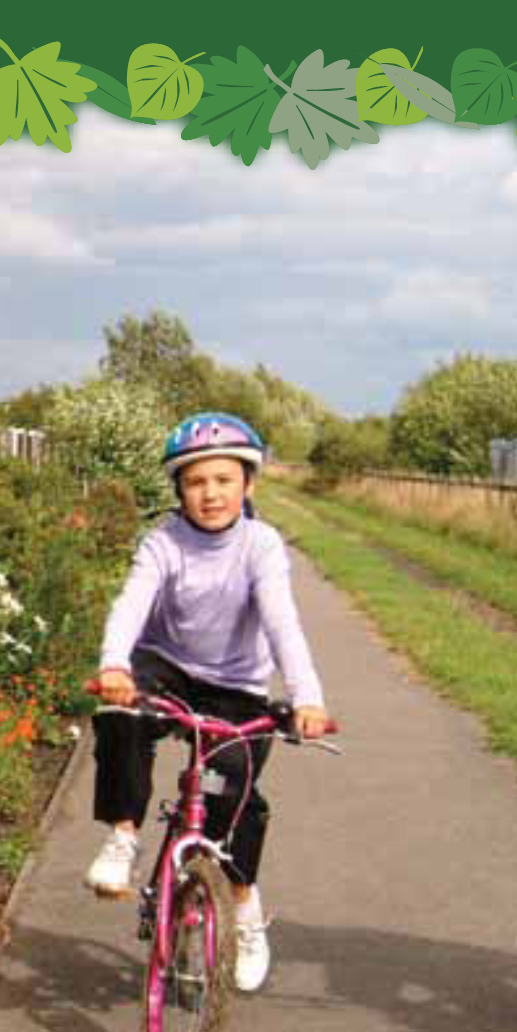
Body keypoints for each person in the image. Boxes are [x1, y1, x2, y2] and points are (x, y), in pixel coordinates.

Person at [84, 410, 329, 992]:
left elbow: (282, 625)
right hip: (165, 667)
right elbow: (131, 603)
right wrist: (113, 664)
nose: (210, 493)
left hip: (237, 686)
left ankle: (244, 910)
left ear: (248, 483)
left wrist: (307, 698)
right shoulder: (163, 541)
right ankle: (122, 837)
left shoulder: (261, 545)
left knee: (235, 791)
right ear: (179, 490)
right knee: (120, 714)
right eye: (196, 482)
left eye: (223, 479)